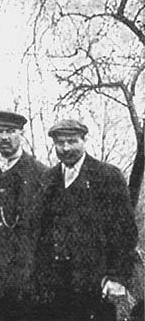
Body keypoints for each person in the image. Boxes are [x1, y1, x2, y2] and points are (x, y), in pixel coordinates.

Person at [31, 120, 137, 321]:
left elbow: (125, 232)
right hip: (54, 287)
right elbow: (38, 232)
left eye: (72, 141)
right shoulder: (47, 179)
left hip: (94, 285)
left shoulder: (107, 176)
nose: (66, 148)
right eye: (60, 143)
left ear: (84, 140)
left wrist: (117, 277)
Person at [0, 110, 47, 320]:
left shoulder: (40, 175)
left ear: (21, 134)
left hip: (29, 279)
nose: (4, 137)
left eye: (11, 131)